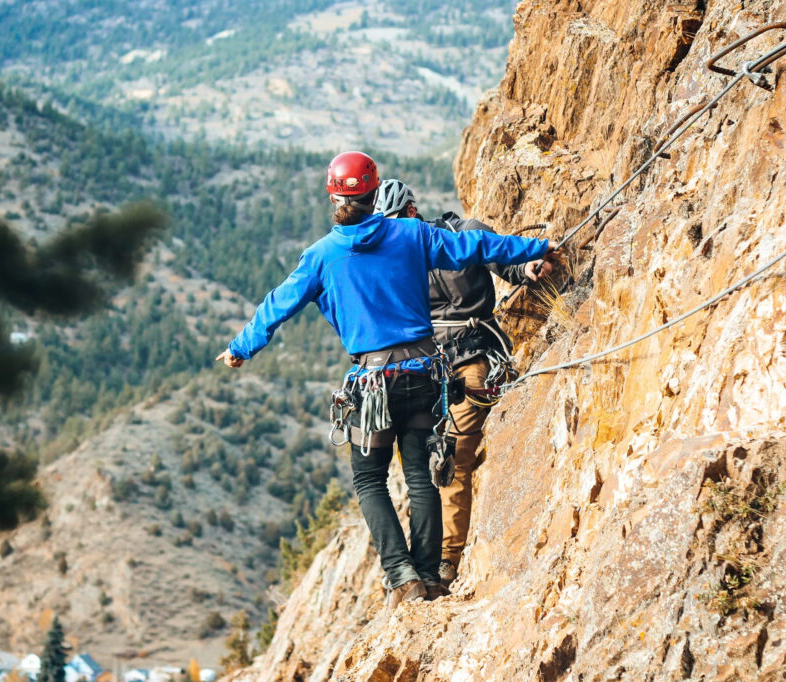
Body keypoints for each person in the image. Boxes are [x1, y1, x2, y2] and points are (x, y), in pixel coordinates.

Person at [216, 151, 555, 608]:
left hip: (374, 382)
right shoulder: (412, 234)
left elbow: (278, 305)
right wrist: (536, 248)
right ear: (374, 194)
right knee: (420, 475)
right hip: (423, 373)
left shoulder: (321, 257)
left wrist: (241, 348)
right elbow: (475, 246)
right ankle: (431, 577)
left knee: (371, 479)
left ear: (333, 196)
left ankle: (402, 575)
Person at [373, 178, 553, 587]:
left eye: (396, 223)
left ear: (412, 214)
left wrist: (526, 267)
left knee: (454, 458)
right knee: (422, 465)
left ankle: (446, 561)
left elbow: (502, 259)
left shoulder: (464, 233)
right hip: (425, 369)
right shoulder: (396, 257)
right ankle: (428, 558)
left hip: (474, 357)